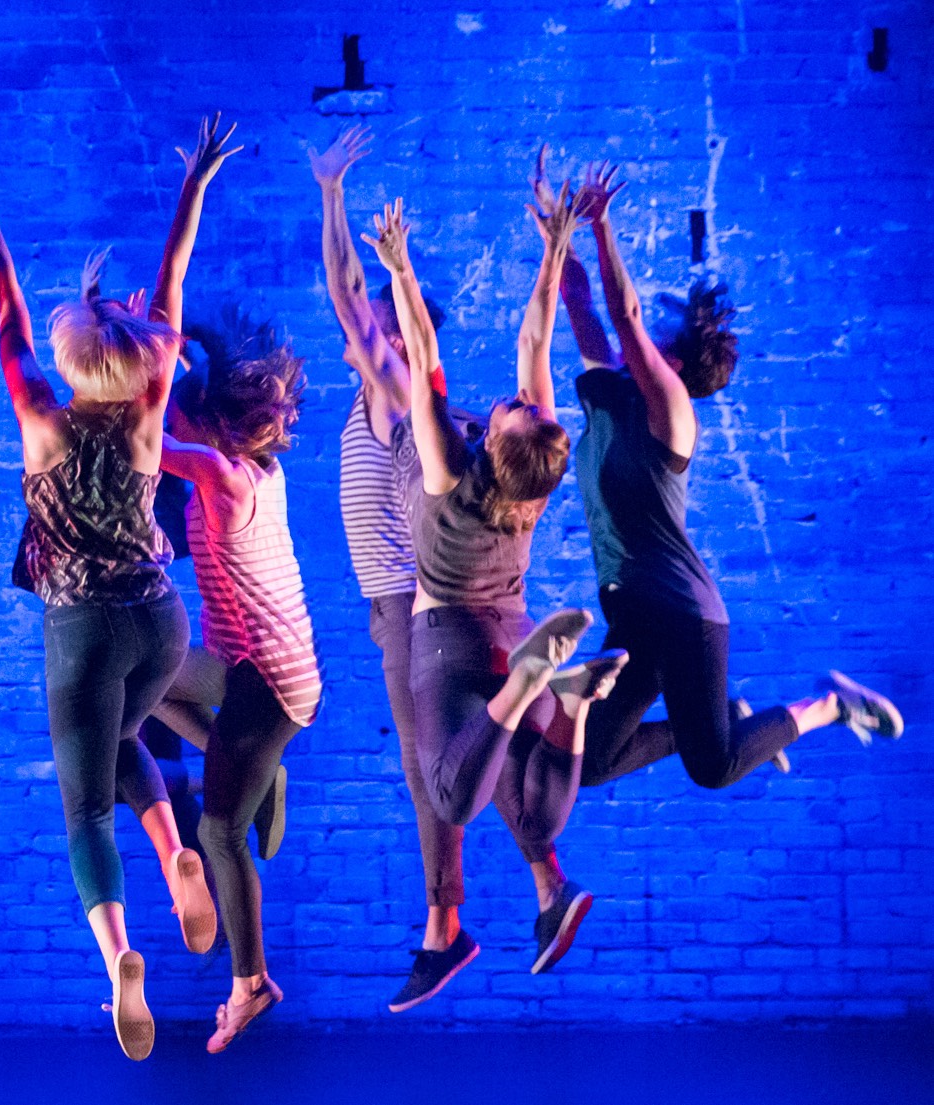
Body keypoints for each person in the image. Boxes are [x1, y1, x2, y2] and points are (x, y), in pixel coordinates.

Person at [0, 114, 238, 1061]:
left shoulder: (40, 411)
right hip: (158, 620)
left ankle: (118, 951)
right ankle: (175, 850)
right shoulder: (153, 404)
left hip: (78, 630)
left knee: (82, 805)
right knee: (120, 737)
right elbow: (172, 290)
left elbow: (7, 312)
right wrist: (192, 187)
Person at [528, 151, 903, 789]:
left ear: (671, 357)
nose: (649, 320)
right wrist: (557, 233)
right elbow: (582, 301)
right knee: (587, 761)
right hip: (633, 611)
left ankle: (827, 706)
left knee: (715, 766)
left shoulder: (671, 413)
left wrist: (600, 225)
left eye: (662, 324)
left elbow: (623, 315)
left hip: (682, 614)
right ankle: (724, 718)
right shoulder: (609, 387)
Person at [365, 191, 628, 987]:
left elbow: (420, 343)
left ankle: (534, 694)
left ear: (496, 447)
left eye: (511, 410)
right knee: (531, 809)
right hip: (509, 624)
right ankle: (566, 702)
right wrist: (554, 247)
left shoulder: (450, 469)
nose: (512, 400)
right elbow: (535, 333)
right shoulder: (534, 475)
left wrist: (403, 267)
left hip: (449, 647)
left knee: (450, 796)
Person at [309, 126, 471, 1011]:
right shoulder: (393, 391)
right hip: (401, 607)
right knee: (433, 761)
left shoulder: (396, 386)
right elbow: (351, 291)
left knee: (426, 766)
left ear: (400, 339)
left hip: (409, 607)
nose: (358, 323)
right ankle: (452, 918)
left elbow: (346, 287)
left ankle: (444, 927)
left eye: (378, 324)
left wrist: (333, 195)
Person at [159, 311, 321, 1052]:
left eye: (186, 423)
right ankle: (265, 777)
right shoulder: (255, 463)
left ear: (208, 430)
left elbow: (144, 441)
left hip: (269, 683)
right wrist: (179, 335)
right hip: (242, 661)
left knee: (221, 831)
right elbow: (186, 403)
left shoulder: (222, 475)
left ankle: (251, 980)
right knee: (142, 676)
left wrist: (128, 351)